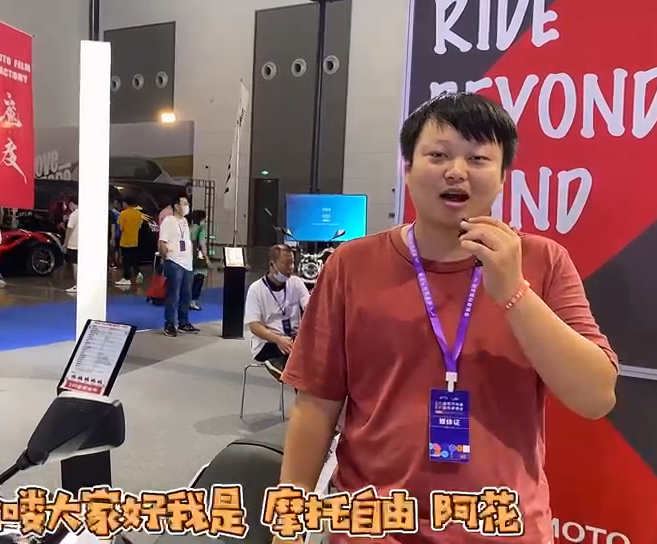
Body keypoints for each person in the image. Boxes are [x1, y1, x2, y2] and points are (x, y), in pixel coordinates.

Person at [275, 92, 619, 543]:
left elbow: (596, 397)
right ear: (408, 168)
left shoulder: (543, 261)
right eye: (438, 155)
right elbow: (315, 407)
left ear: (502, 177)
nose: (456, 171)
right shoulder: (352, 265)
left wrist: (514, 293)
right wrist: (288, 527)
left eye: (478, 158)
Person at [245, 244, 310, 381]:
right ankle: (283, 366)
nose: (291, 267)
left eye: (292, 263)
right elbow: (254, 326)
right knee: (299, 368)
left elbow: (310, 308)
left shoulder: (296, 283)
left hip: (293, 339)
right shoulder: (256, 289)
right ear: (272, 264)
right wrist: (278, 340)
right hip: (268, 342)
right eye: (286, 263)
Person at [158, 195, 200, 337]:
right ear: (177, 206)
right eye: (184, 203)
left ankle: (183, 322)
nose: (187, 206)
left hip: (187, 262)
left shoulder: (185, 221)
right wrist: (165, 258)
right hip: (174, 261)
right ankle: (169, 324)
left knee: (186, 295)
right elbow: (162, 242)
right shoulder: (168, 221)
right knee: (173, 295)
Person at [115, 198, 144, 287]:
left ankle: (126, 278)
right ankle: (138, 273)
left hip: (125, 240)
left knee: (126, 260)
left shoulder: (123, 213)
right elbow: (139, 226)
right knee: (133, 259)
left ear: (126, 203)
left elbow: (121, 228)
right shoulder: (138, 214)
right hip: (135, 240)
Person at [188, 210, 209, 311]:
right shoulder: (201, 229)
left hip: (188, 256)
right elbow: (202, 245)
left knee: (188, 279)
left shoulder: (189, 228)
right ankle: (193, 301)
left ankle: (185, 300)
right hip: (198, 256)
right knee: (199, 278)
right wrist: (207, 259)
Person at [63, 194, 80, 293]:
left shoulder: (74, 215)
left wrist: (65, 243)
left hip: (74, 243)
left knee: (75, 265)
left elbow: (69, 230)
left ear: (72, 203)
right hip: (84, 244)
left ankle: (77, 285)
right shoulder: (87, 213)